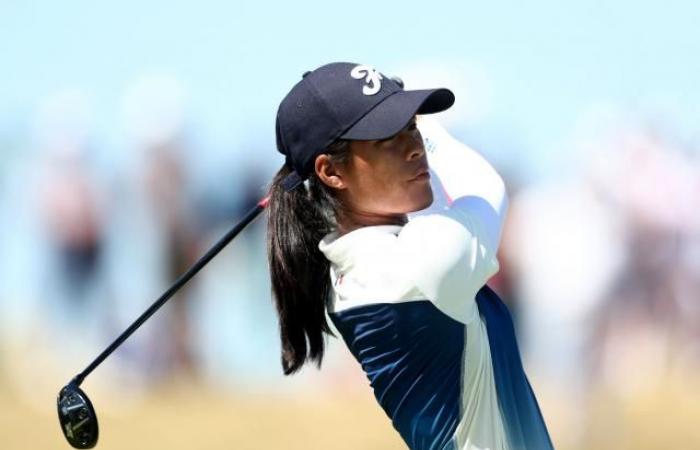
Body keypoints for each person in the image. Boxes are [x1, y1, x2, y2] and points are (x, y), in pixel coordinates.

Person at [266, 62, 554, 450]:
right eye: (387, 138)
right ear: (331, 172)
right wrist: (428, 128)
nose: (414, 148)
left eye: (411, 130)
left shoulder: (363, 262)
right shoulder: (417, 265)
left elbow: (431, 205)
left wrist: (402, 117)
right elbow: (484, 188)